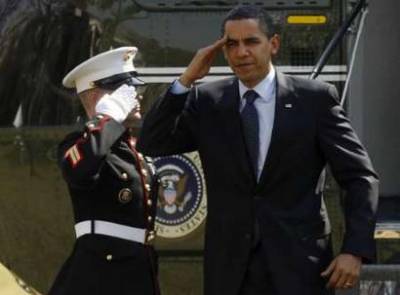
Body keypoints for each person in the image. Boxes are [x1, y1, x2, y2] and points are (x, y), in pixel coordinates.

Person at [137, 5, 379, 295]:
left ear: (273, 44)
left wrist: (355, 249)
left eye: (251, 41)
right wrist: (185, 80)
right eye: (231, 44)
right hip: (231, 271)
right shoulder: (208, 101)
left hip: (299, 267)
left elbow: (359, 177)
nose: (241, 52)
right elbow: (152, 142)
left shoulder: (313, 99)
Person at [49, 47, 160, 295]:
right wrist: (107, 118)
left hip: (137, 270)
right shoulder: (78, 142)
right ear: (97, 96)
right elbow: (80, 172)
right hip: (100, 274)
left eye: (136, 89)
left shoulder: (132, 146)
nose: (136, 96)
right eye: (126, 90)